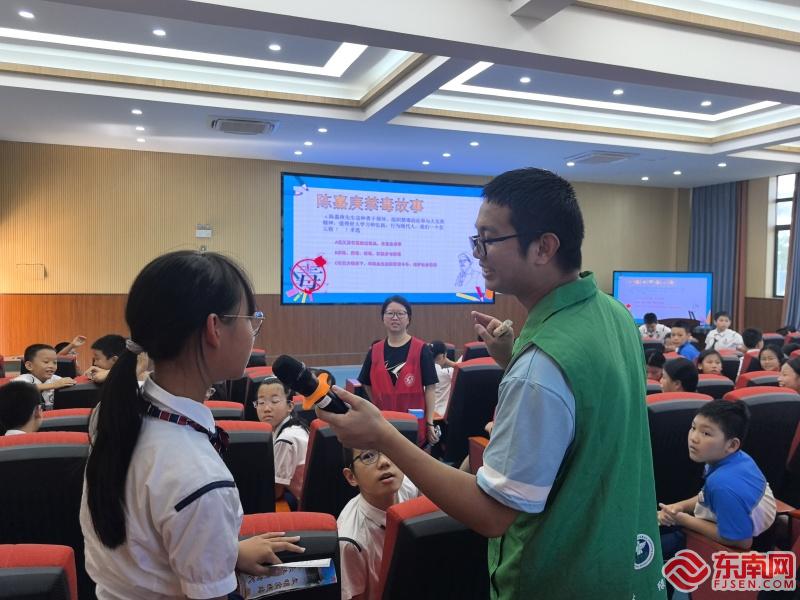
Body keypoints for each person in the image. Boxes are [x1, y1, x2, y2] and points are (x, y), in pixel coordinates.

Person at [320, 168, 666, 599]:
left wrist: (383, 437)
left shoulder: (540, 366)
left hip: (559, 578)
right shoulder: (614, 314)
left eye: (488, 239)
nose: (477, 253)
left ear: (544, 247)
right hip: (623, 564)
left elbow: (492, 513)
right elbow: (585, 414)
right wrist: (514, 357)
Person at [80, 250, 303, 600]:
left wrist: (228, 552)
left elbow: (149, 539)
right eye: (251, 318)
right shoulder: (198, 478)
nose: (253, 331)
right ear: (214, 328)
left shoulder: (113, 413)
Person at [658, 400, 776, 561]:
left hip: (730, 544)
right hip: (735, 516)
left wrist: (683, 519)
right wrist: (680, 506)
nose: (694, 438)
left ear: (732, 445)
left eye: (706, 433)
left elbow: (743, 542)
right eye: (693, 428)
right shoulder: (736, 458)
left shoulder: (722, 484)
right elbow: (707, 495)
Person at [337, 447, 418, 600]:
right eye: (368, 456)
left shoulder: (409, 486)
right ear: (351, 477)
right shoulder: (351, 542)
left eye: (390, 449)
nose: (384, 462)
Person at [357, 295, 439, 445]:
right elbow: (366, 383)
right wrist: (377, 403)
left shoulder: (422, 349)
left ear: (408, 318)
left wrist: (429, 422)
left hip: (413, 424)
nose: (395, 318)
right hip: (384, 422)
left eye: (400, 313)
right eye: (390, 313)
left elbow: (430, 388)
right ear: (383, 318)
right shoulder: (375, 350)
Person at [254, 376, 309, 510]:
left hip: (305, 505)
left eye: (274, 401)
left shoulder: (286, 439)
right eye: (261, 402)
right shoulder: (294, 425)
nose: (266, 408)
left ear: (290, 406)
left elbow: (276, 492)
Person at [14, 344, 76, 408]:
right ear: (29, 366)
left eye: (55, 362)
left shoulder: (55, 378)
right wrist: (54, 385)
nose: (51, 366)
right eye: (46, 362)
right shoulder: (23, 378)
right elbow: (21, 388)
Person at [429, 341, 456, 417]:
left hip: (427, 414)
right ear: (443, 356)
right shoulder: (447, 373)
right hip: (442, 415)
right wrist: (449, 362)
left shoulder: (421, 371)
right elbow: (463, 368)